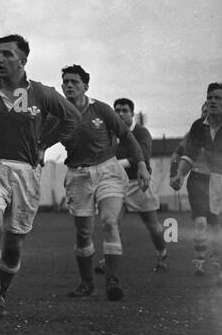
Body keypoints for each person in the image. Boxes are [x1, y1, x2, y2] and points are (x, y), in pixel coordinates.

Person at [0, 34, 80, 318]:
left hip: (26, 173)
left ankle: (1, 292)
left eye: (7, 54)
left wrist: (45, 143)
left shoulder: (41, 93)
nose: (0, 58)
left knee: (13, 243)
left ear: (23, 61)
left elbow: (72, 118)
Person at [52, 66, 149, 302]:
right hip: (78, 175)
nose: (69, 85)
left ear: (86, 86)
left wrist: (142, 165)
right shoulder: (58, 115)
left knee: (109, 221)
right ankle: (86, 284)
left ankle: (112, 281)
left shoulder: (101, 109)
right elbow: (41, 139)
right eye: (65, 82)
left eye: (74, 81)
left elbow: (127, 136)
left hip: (107, 170)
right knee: (84, 232)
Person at [168, 83, 222, 280]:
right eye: (210, 98)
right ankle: (200, 261)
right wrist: (178, 175)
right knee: (201, 223)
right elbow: (184, 154)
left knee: (216, 225)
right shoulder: (197, 128)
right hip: (198, 179)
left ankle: (217, 263)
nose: (212, 103)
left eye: (217, 98)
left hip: (219, 180)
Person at [112, 98, 168, 272]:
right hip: (116, 184)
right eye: (117, 110)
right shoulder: (111, 133)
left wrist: (117, 164)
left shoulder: (142, 132)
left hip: (139, 184)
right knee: (111, 222)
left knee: (152, 224)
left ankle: (162, 254)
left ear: (132, 113)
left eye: (124, 110)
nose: (120, 114)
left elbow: (142, 155)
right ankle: (111, 260)